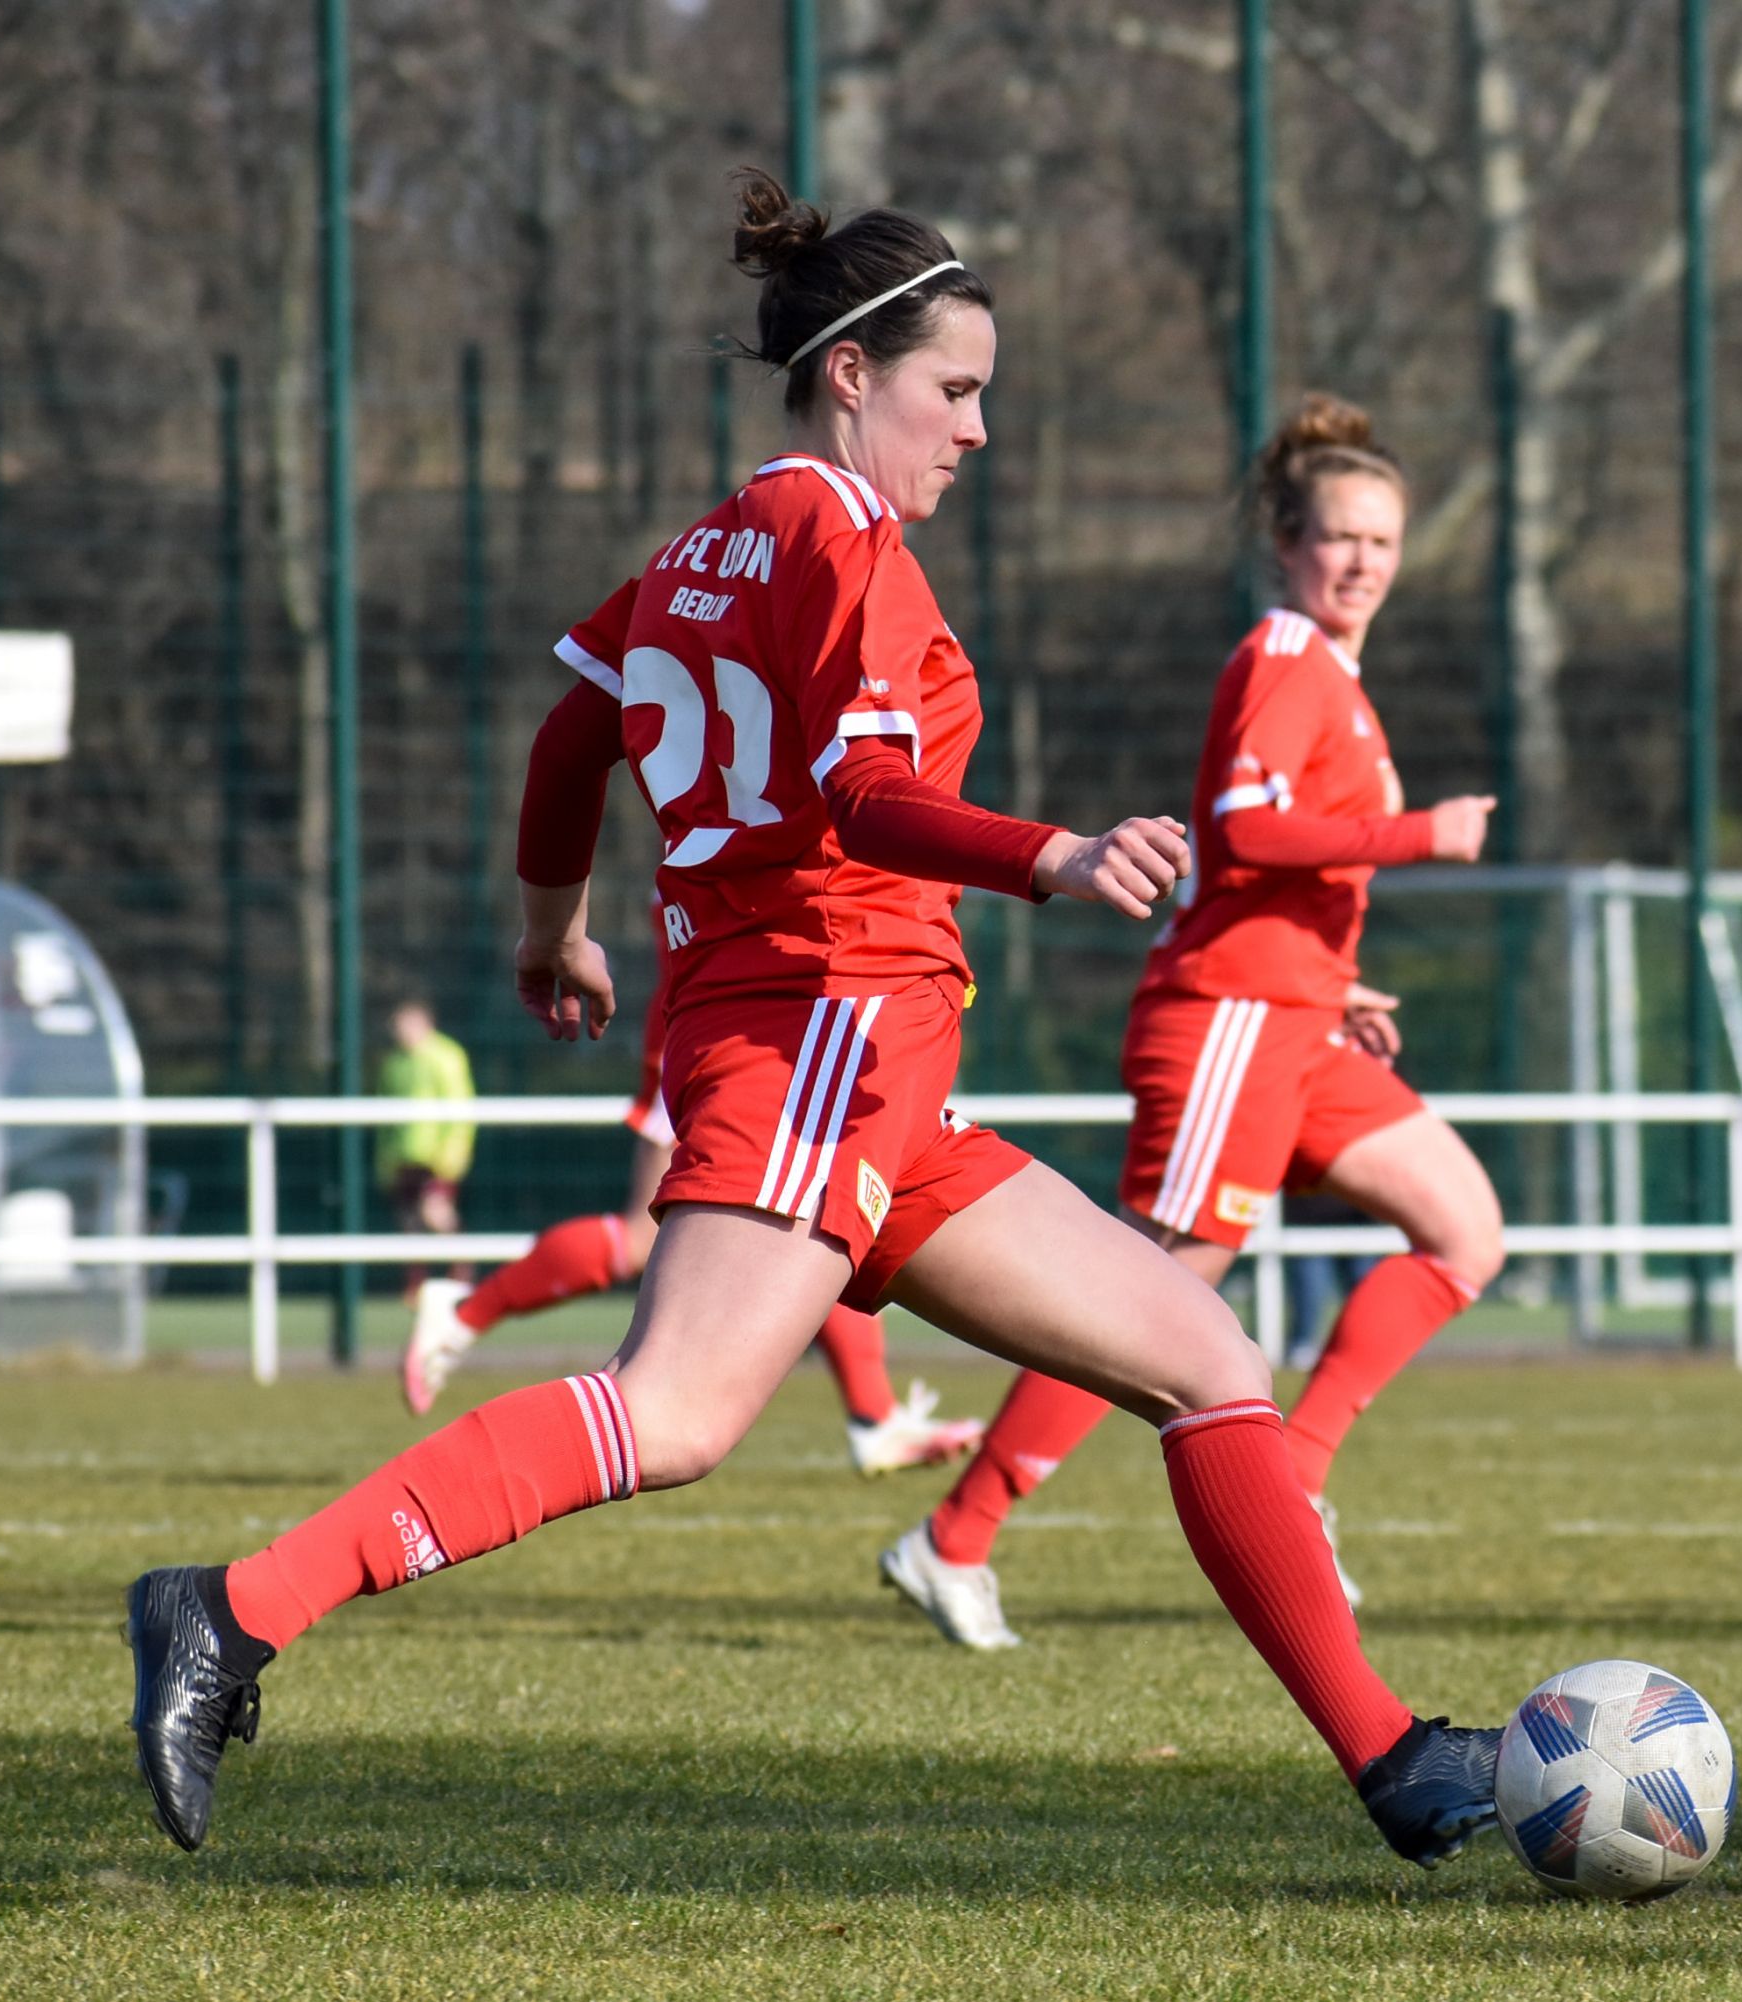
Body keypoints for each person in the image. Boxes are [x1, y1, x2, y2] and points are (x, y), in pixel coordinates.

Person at [126, 176, 1499, 1870]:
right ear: (852, 373)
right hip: (826, 1031)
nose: (980, 428)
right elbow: (861, 789)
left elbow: (574, 742)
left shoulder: (711, 542)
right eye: (958, 389)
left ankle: (1396, 1762)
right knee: (677, 1414)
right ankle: (229, 1608)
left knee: (1210, 1365)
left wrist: (552, 933)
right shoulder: (844, 546)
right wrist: (1051, 852)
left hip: (867, 1071)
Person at [884, 396, 1504, 1646]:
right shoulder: (1283, 655)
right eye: (1341, 537)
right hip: (1228, 1020)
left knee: (1465, 1230)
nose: (1364, 561)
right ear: (1288, 543)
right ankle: (955, 1537)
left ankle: (1304, 1476)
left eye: (1383, 540)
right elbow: (1245, 832)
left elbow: (1276, 871)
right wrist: (1419, 834)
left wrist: (1339, 979)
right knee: (1151, 1300)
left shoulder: (1331, 673)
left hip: (1297, 1020)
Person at [400, 895, 986, 1478]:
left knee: (821, 1207)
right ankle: (466, 1314)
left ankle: (874, 1416)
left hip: (779, 1009)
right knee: (655, 1235)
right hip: (742, 1015)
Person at [376, 998, 476, 1295]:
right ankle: (416, 1285)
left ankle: (462, 1274)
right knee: (409, 1223)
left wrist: (451, 1155)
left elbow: (460, 1110)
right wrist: (385, 1161)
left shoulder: (445, 1056)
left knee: (435, 1213)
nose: (400, 1031)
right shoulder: (394, 1062)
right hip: (404, 1159)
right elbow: (385, 1117)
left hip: (437, 1159)